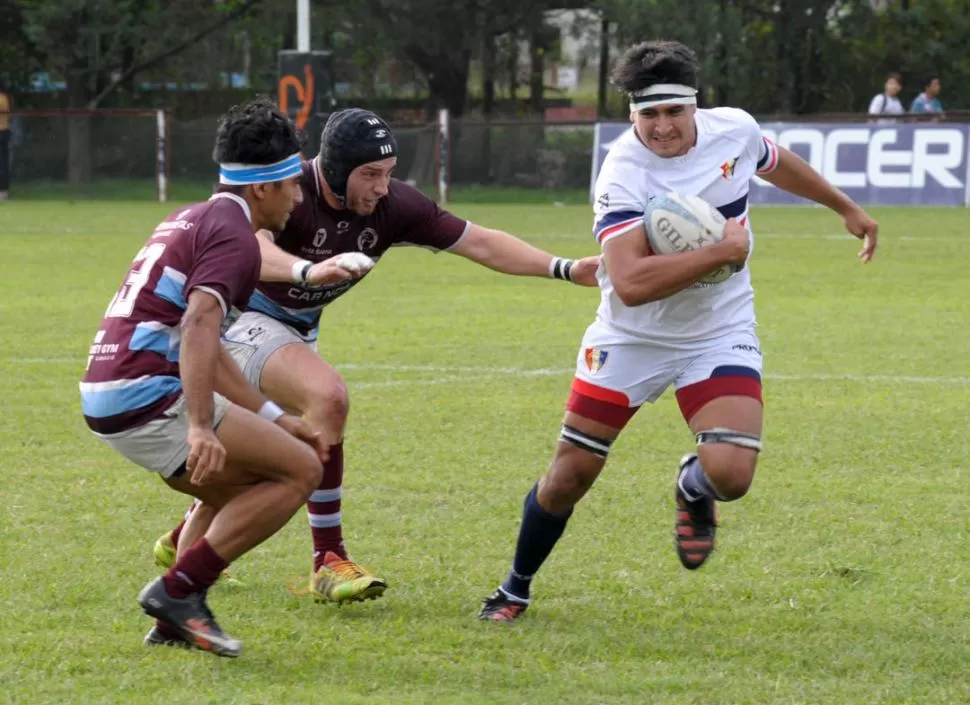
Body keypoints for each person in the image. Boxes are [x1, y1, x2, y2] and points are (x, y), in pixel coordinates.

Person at [477, 40, 879, 623]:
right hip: (631, 336)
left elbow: (774, 160)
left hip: (719, 327)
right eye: (649, 114)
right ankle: (514, 588)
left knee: (732, 476)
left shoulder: (733, 131)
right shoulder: (621, 175)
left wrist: (843, 207)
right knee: (571, 474)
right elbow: (633, 282)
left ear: (695, 106)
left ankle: (693, 486)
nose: (663, 127)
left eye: (674, 112)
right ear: (631, 114)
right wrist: (724, 249)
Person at [151, 107, 602, 607]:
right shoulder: (288, 188)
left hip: (294, 331)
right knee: (327, 399)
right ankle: (328, 559)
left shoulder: (393, 204)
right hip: (238, 323)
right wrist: (307, 270)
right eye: (370, 175)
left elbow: (479, 242)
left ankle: (183, 543)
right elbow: (249, 245)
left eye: (388, 174)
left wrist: (563, 268)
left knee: (263, 455)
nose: (383, 187)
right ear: (334, 171)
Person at [79, 97, 360, 656]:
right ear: (262, 188)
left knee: (248, 481)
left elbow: (216, 354)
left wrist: (277, 417)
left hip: (109, 387)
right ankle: (178, 593)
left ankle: (171, 620)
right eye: (292, 185)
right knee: (301, 470)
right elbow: (202, 323)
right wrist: (202, 426)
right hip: (148, 390)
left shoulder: (194, 215)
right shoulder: (235, 235)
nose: (300, 197)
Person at [0, 86, 11, 200]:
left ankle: (3, 191)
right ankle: (4, 191)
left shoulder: (1, 98)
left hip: (1, 132)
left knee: (1, 163)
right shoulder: (4, 97)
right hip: (4, 132)